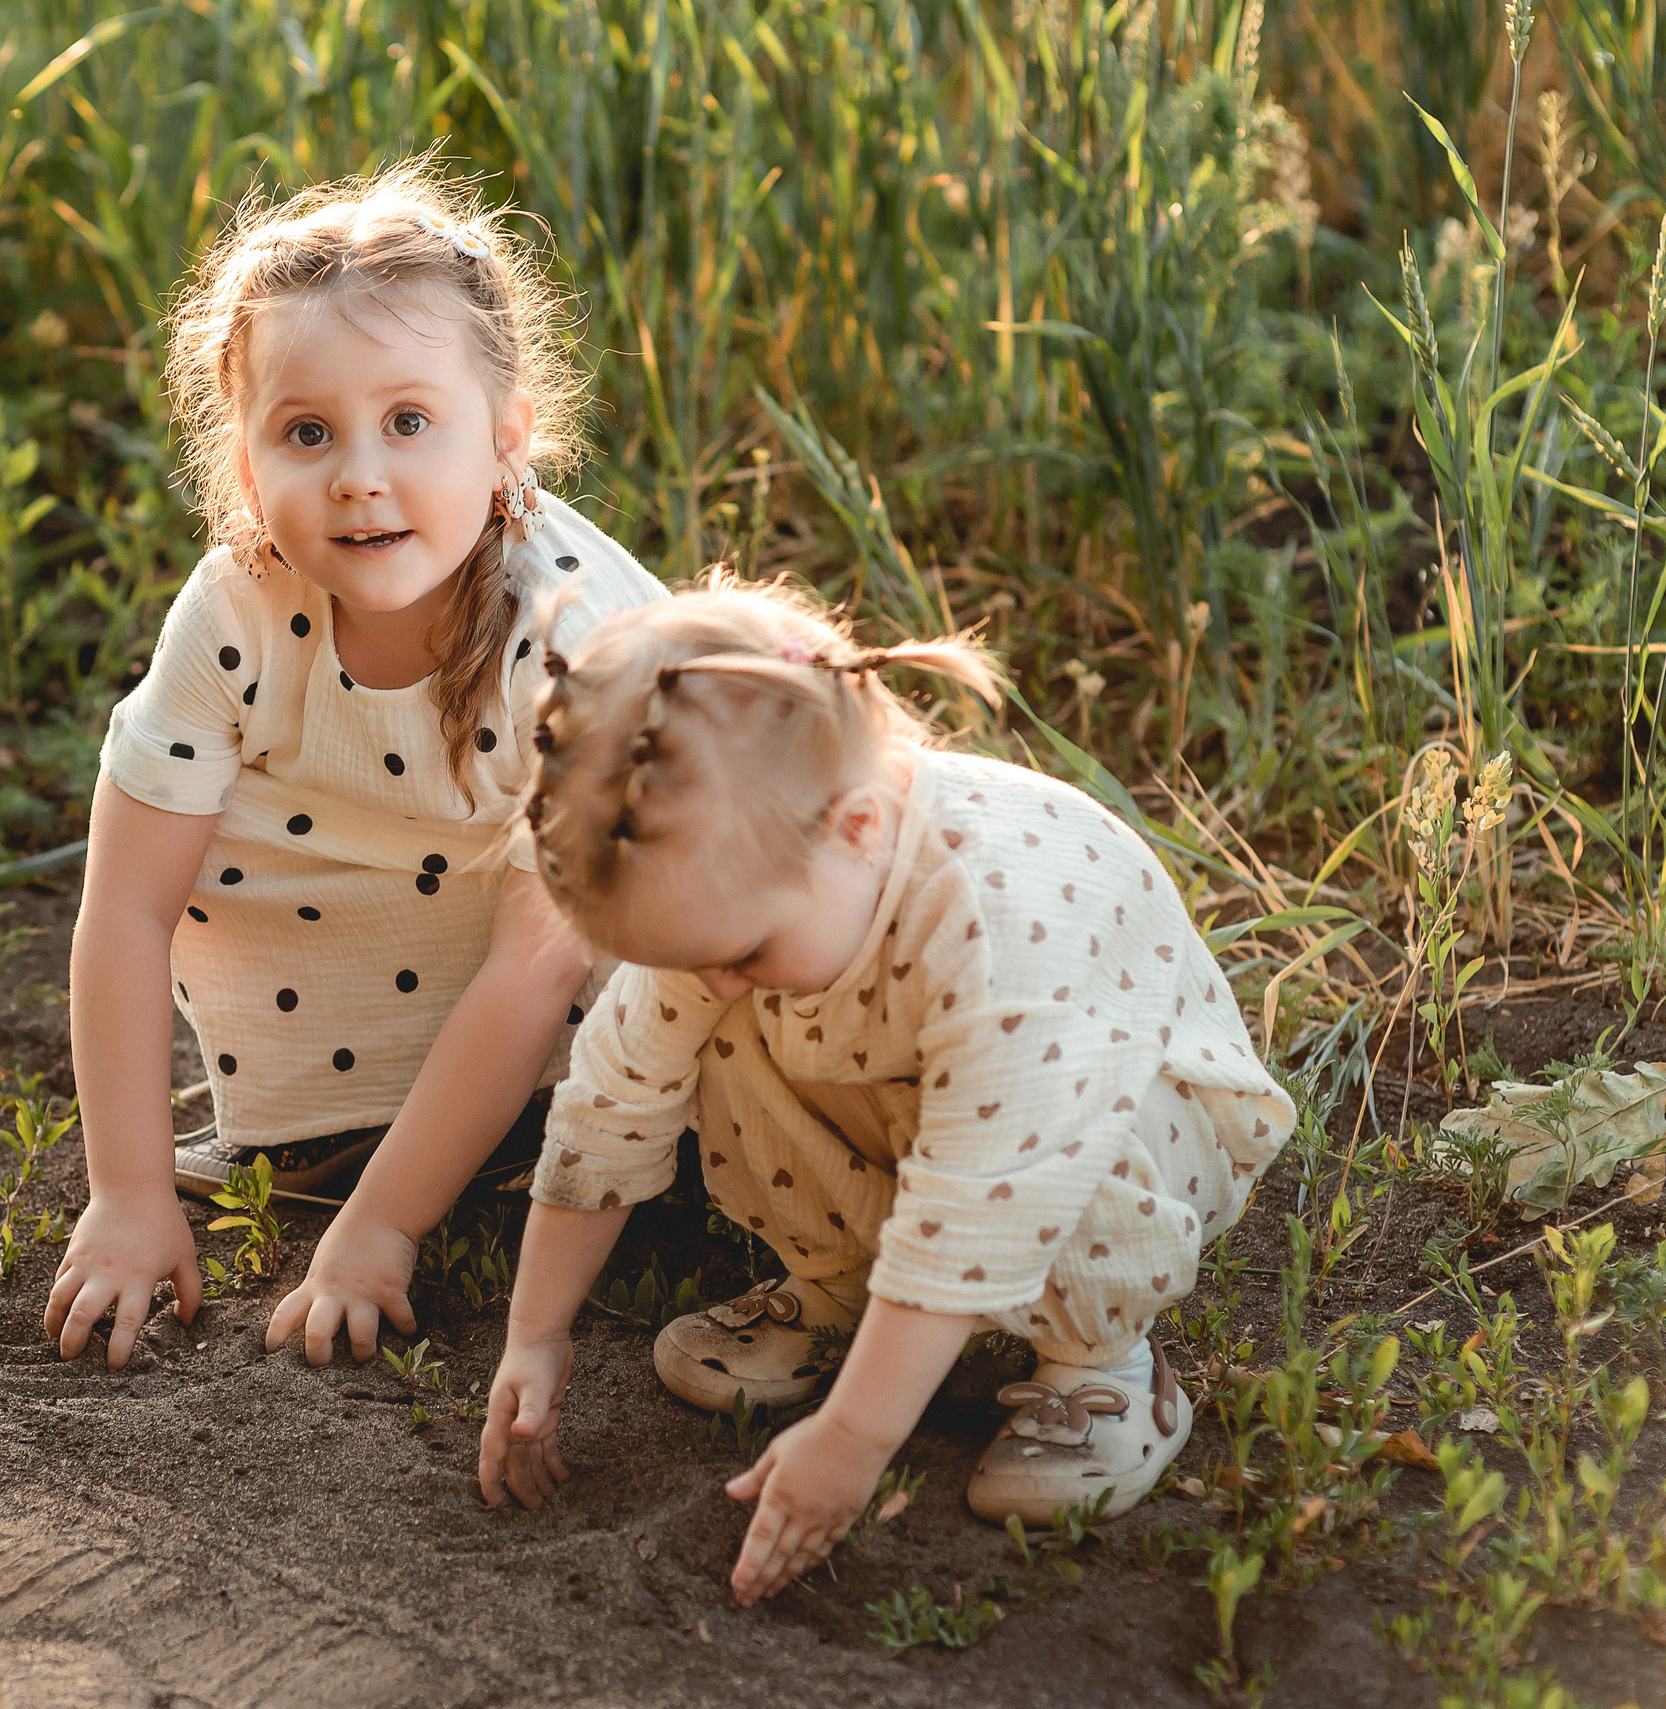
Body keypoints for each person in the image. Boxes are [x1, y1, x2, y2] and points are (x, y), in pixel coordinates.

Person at [474, 574, 1294, 1604]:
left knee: (1056, 1165)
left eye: (737, 951)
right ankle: (838, 1285)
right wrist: (535, 1333)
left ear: (859, 826)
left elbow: (980, 1196)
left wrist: (853, 1440)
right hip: (898, 1098)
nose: (715, 978)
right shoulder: (743, 881)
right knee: (714, 1035)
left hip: (1094, 1134)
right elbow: (613, 1098)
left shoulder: (1002, 929)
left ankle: (1101, 1366)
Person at [45, 164, 666, 1373]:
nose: (359, 475)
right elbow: (124, 904)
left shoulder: (574, 643)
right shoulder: (236, 606)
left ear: (507, 439)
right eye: (308, 432)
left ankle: (548, 1161)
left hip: (598, 998)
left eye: (410, 422)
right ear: (243, 460)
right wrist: (125, 1192)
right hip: (367, 993)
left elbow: (539, 968)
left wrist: (378, 1232)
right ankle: (356, 1126)